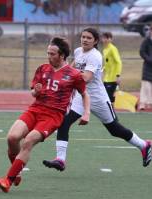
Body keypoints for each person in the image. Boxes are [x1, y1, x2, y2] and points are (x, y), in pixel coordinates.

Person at [43, 28, 151, 172]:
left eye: (89, 38)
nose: (85, 40)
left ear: (95, 41)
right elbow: (72, 67)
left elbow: (86, 78)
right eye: (83, 37)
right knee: (64, 122)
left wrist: (67, 76)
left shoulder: (95, 56)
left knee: (114, 129)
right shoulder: (78, 51)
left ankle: (144, 145)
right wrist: (60, 73)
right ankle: (60, 160)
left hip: (98, 98)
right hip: (81, 96)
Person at [0, 37, 90, 193]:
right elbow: (33, 92)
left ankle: (8, 180)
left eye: (52, 54)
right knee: (12, 138)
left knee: (28, 141)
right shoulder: (42, 69)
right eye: (48, 53)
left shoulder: (74, 75)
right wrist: (35, 91)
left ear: (62, 55)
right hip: (35, 109)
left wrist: (86, 113)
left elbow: (85, 94)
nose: (49, 56)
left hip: (53, 116)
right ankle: (16, 172)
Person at [101, 32, 122, 105]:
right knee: (106, 98)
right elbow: (107, 63)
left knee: (110, 98)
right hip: (106, 78)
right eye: (104, 38)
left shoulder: (113, 49)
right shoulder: (104, 50)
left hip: (113, 78)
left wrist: (118, 76)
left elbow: (118, 62)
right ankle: (110, 113)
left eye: (108, 38)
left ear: (111, 39)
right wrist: (103, 69)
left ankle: (112, 114)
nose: (106, 40)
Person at [139, 26, 152, 110]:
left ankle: (150, 103)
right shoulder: (146, 41)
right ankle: (143, 104)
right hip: (148, 66)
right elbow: (141, 51)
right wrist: (148, 59)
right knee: (146, 85)